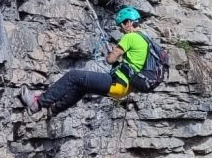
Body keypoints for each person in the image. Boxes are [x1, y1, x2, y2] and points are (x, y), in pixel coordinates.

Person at [20, 6, 150, 116]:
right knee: (82, 86)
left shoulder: (130, 37)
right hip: (125, 89)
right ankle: (53, 110)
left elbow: (110, 60)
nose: (121, 30)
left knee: (73, 76)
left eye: (121, 26)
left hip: (118, 84)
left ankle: (37, 104)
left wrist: (111, 54)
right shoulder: (146, 40)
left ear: (128, 23)